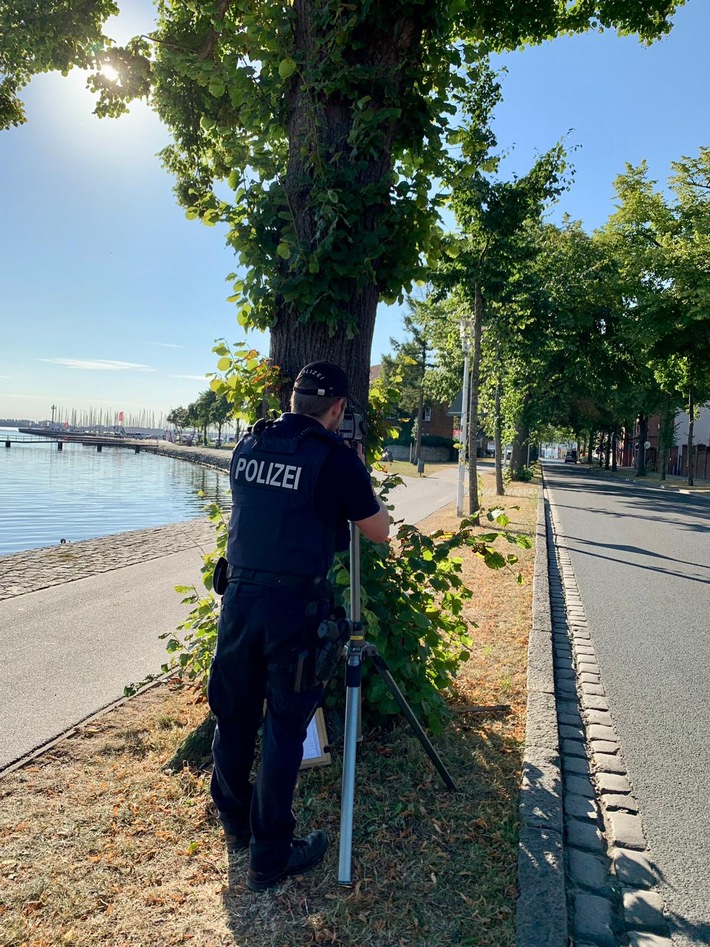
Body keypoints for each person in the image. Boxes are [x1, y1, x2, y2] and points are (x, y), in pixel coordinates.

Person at [208, 361, 390, 893]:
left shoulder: (248, 445)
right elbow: (377, 531)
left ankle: (236, 826)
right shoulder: (334, 459)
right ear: (337, 410)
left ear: (292, 401)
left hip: (238, 601)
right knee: (285, 729)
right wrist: (359, 473)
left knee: (234, 716)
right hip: (294, 612)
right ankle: (269, 857)